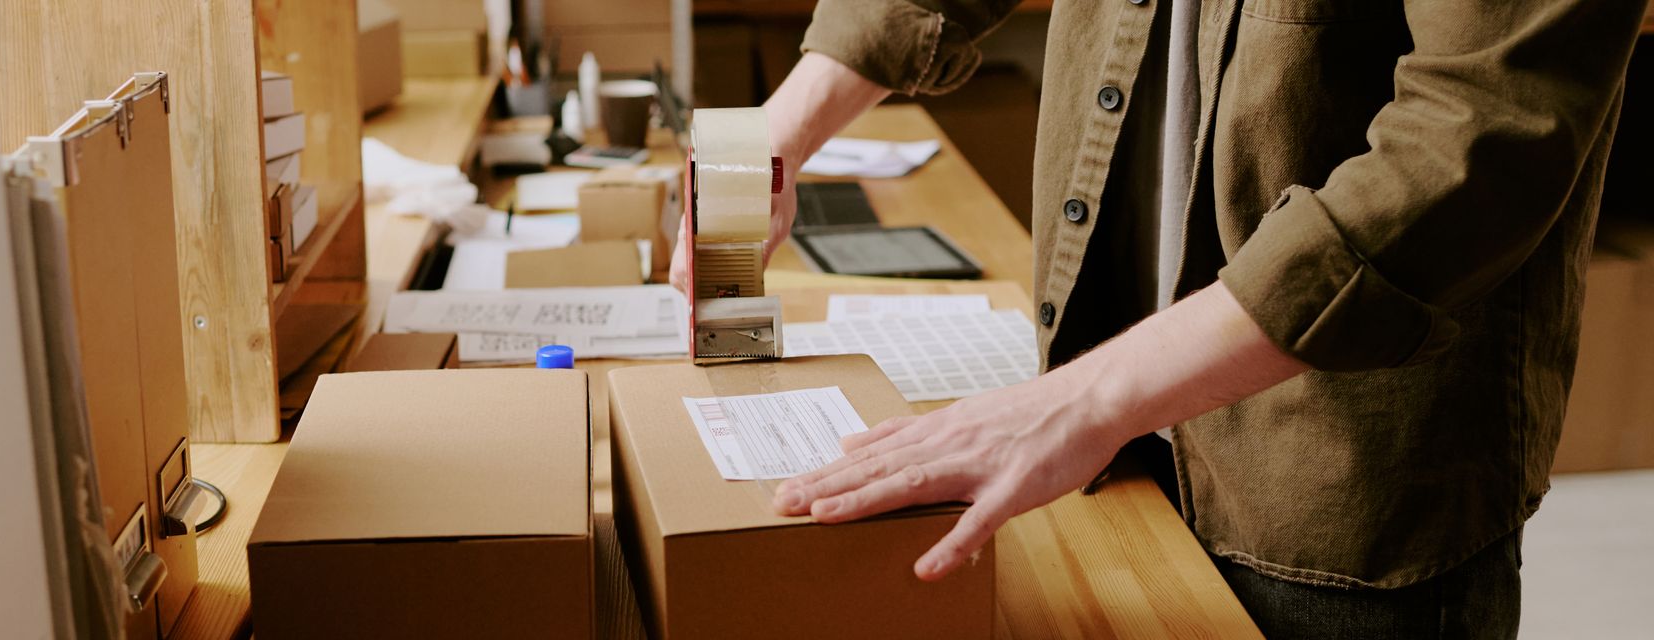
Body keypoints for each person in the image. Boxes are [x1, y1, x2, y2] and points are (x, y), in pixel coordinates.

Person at [669, 1, 1645, 637]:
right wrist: (773, 135)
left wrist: (1079, 402)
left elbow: (1477, 141)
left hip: (1326, 478)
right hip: (1117, 421)